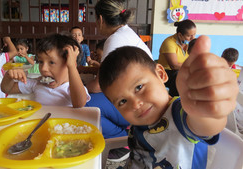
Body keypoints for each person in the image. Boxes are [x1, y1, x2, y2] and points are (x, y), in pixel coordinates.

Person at [99, 36, 238, 168]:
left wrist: (207, 107)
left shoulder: (180, 114)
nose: (135, 105)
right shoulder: (139, 123)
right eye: (123, 101)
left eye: (139, 87)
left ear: (161, 74)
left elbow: (205, 125)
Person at [1, 33, 90, 108]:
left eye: (51, 62)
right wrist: (9, 76)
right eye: (40, 62)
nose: (43, 68)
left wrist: (72, 66)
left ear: (69, 65)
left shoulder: (71, 88)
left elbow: (79, 104)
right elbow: (7, 89)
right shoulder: (37, 83)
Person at [86, 0, 152, 93]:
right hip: (144, 89)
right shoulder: (126, 32)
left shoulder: (115, 39)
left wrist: (82, 86)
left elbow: (98, 86)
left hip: (139, 94)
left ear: (101, 20)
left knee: (79, 101)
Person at [158, 19, 196, 97]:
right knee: (179, 75)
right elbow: (174, 66)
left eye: (194, 34)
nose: (193, 38)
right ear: (180, 35)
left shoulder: (192, 44)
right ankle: (175, 101)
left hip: (183, 70)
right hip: (167, 73)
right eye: (189, 36)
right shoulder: (169, 43)